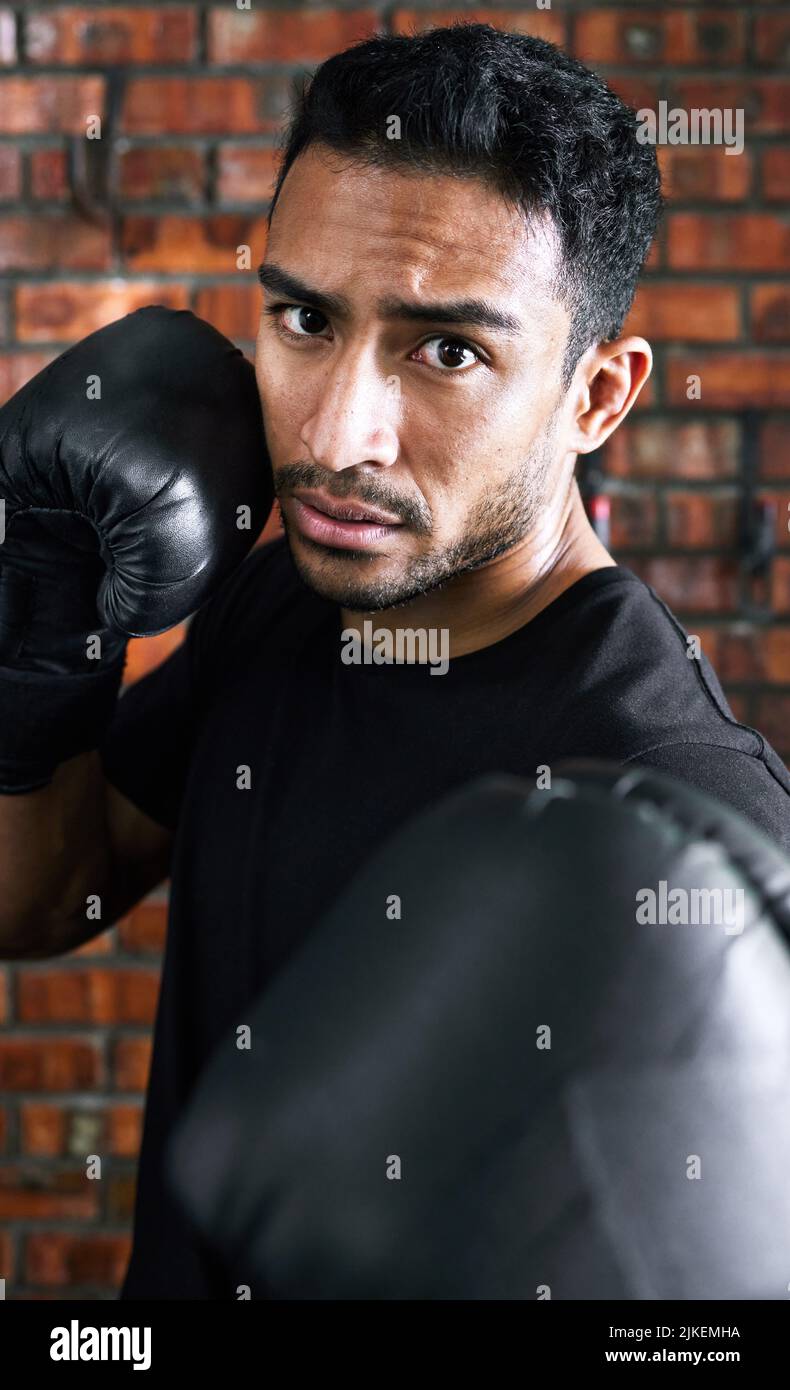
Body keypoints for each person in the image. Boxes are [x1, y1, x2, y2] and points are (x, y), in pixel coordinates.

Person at [0, 24, 788, 1300]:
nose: (333, 431)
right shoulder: (285, 604)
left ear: (598, 396)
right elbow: (39, 904)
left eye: (448, 350)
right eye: (305, 318)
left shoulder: (677, 813)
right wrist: (36, 635)